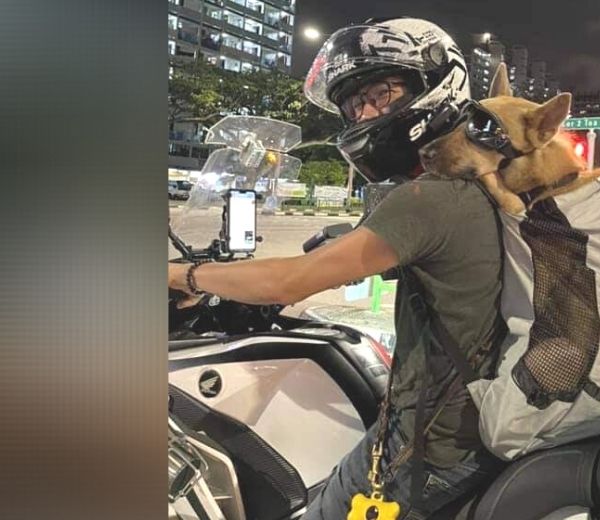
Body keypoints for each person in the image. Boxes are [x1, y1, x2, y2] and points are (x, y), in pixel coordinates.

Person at [168, 17, 508, 520]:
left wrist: (181, 276)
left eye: (382, 93)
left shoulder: (428, 197)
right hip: (479, 421)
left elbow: (289, 280)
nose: (367, 112)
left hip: (432, 443)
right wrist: (340, 252)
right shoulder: (482, 180)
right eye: (355, 104)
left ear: (433, 85)